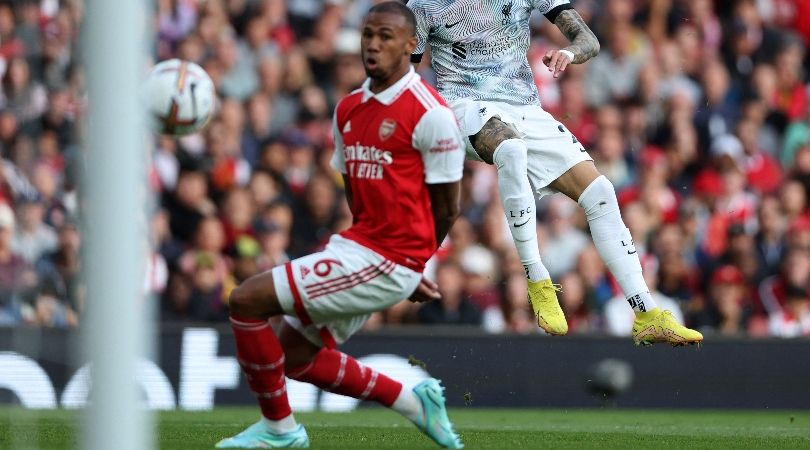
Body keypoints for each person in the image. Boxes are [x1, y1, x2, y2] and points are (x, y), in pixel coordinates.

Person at [216, 3, 464, 448]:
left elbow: (447, 207)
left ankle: (280, 430)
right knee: (295, 356)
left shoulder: (432, 114)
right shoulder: (348, 109)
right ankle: (412, 401)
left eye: (386, 36)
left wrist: (412, 264)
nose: (372, 44)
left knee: (246, 300)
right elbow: (356, 194)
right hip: (359, 247)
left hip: (391, 257)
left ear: (412, 46)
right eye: (368, 34)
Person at [408, 0, 702, 345]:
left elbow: (587, 40)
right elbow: (405, 77)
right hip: (461, 105)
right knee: (511, 150)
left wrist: (570, 53)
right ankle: (537, 279)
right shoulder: (425, 5)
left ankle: (646, 312)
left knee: (601, 192)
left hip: (525, 108)